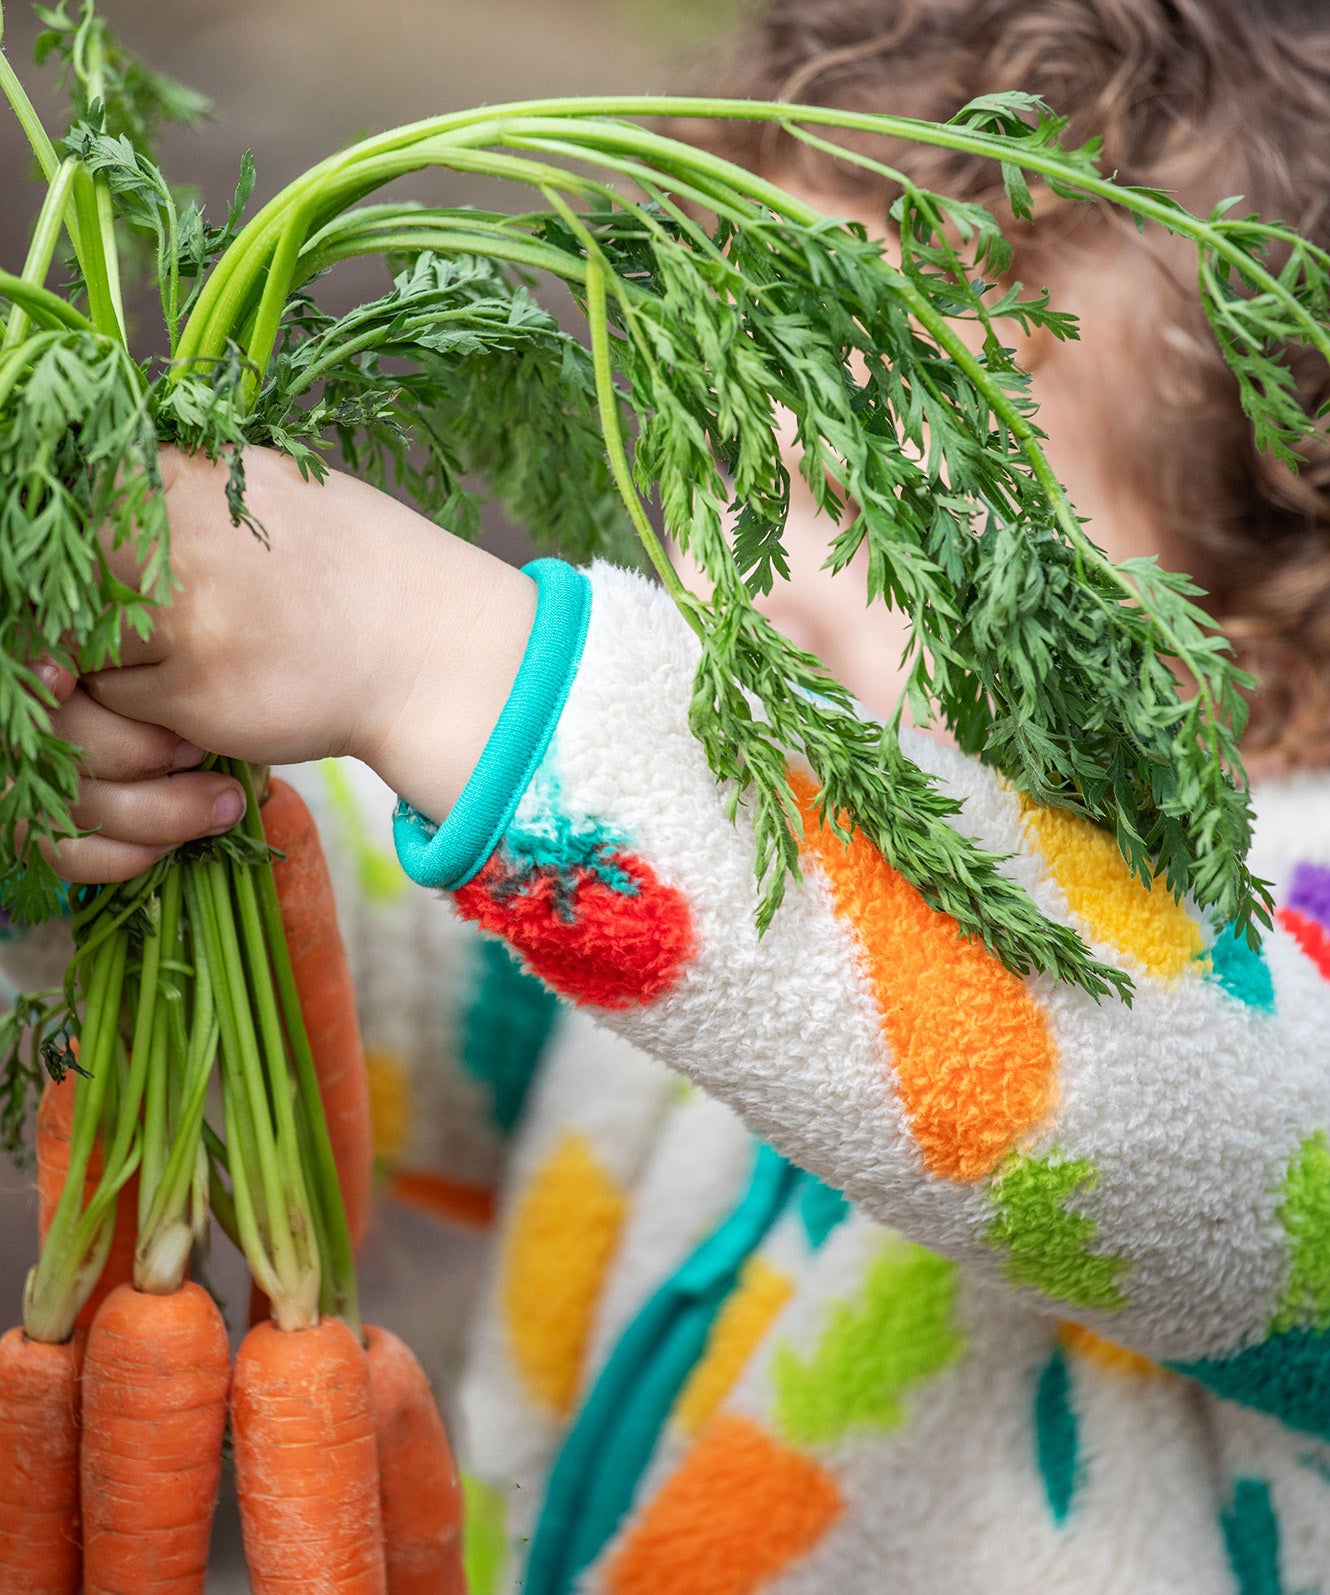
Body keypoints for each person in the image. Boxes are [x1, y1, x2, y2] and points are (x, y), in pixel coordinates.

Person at [19, 0, 1330, 1590]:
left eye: (869, 510)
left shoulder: (1286, 956)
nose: (746, 579)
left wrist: (437, 661)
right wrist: (127, 783)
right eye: (733, 466)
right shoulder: (711, 851)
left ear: (1248, 630)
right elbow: (408, 972)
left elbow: (1148, 1113)